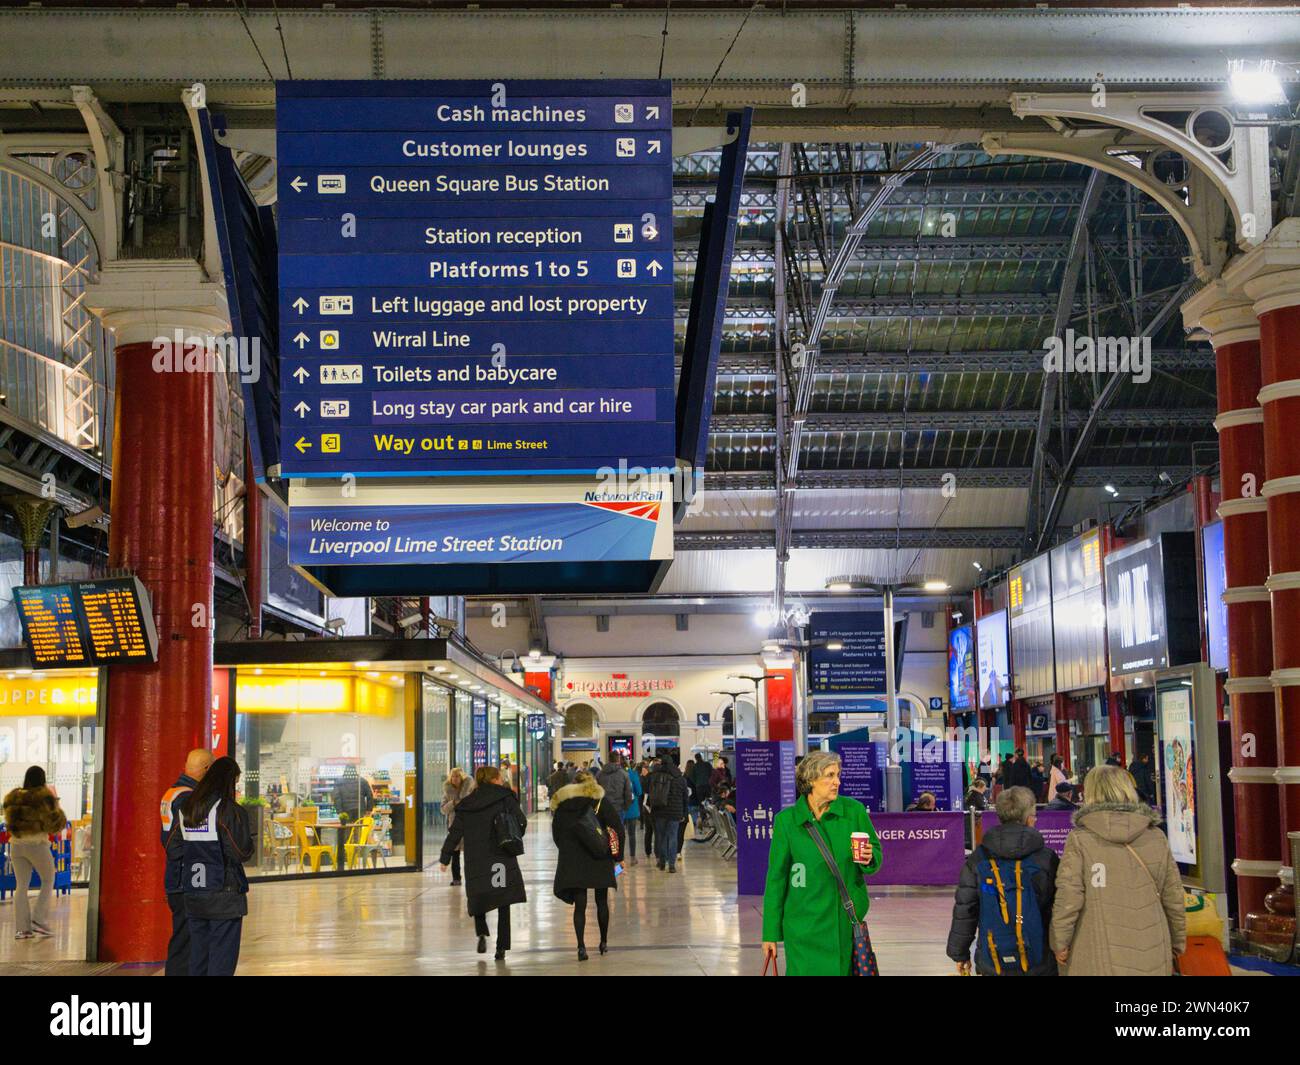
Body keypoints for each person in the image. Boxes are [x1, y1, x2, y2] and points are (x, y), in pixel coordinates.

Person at [1050, 764, 1187, 976]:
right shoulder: (1156, 838)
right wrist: (1177, 941)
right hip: (1152, 944)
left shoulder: (1080, 840)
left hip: (1096, 949)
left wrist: (1060, 941)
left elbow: (1069, 897)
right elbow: (1173, 896)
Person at [761, 751, 883, 976]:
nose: (837, 781)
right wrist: (769, 933)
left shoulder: (853, 811)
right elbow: (776, 879)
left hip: (842, 926)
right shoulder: (787, 822)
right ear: (810, 780)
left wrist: (869, 857)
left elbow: (875, 854)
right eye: (830, 775)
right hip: (802, 929)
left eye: (838, 774)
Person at [947, 786, 1059, 976]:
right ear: (1029, 819)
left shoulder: (978, 858)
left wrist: (959, 952)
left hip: (992, 957)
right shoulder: (1047, 859)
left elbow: (966, 908)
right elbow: (1059, 906)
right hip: (1039, 957)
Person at [166, 756, 253, 976]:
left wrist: (198, 850)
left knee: (198, 957)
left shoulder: (187, 809)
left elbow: (173, 848)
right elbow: (241, 851)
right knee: (221, 961)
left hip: (194, 895)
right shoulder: (227, 810)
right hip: (224, 895)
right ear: (230, 780)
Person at [439, 765, 526, 961]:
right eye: (499, 778)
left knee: (478, 896)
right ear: (494, 779)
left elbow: (455, 832)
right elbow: (521, 821)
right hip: (501, 857)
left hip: (476, 858)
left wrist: (445, 857)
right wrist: (514, 836)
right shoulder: (505, 798)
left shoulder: (467, 804)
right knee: (503, 900)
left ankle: (481, 931)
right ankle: (501, 947)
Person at [551, 771, 625, 960]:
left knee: (580, 905)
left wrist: (566, 849)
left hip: (573, 857)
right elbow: (617, 827)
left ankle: (581, 947)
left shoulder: (562, 804)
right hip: (599, 855)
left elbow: (556, 833)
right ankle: (603, 942)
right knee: (601, 901)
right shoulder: (599, 800)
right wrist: (618, 856)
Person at [160, 748, 213, 974]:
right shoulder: (188, 798)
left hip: (176, 877)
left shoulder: (172, 792)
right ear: (206, 770)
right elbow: (180, 842)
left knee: (184, 937)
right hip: (185, 878)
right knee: (185, 941)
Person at [3, 766, 68, 941]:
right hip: (37, 845)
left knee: (21, 886)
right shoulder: (44, 797)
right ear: (42, 779)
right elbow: (55, 824)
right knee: (48, 879)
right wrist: (57, 806)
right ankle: (38, 919)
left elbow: (9, 821)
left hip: (16, 846)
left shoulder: (14, 797)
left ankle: (22, 930)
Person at [644, 754, 688, 873]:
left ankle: (662, 862)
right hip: (675, 812)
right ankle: (672, 865)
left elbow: (650, 793)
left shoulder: (655, 776)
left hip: (659, 811)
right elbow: (685, 797)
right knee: (673, 837)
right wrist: (684, 812)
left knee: (661, 837)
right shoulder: (680, 778)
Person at [441, 767, 474, 886]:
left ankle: (471, 877)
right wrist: (453, 803)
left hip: (469, 825)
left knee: (470, 854)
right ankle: (456, 878)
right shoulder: (448, 792)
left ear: (462, 777)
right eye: (453, 776)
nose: (455, 779)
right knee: (455, 855)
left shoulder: (470, 790)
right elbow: (443, 810)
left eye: (457, 776)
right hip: (454, 826)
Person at [622, 755, 643, 865]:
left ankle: (619, 859)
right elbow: (639, 792)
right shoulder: (633, 774)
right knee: (631, 834)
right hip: (631, 808)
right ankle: (632, 858)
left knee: (619, 834)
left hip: (618, 809)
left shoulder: (615, 775)